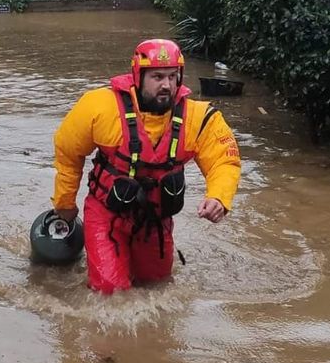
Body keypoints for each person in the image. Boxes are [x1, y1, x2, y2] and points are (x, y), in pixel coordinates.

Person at [52, 38, 241, 294]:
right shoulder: (98, 107)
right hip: (107, 214)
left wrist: (218, 197)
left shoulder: (200, 118)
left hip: (156, 221)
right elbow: (67, 151)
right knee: (110, 291)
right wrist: (65, 205)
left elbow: (224, 160)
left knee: (157, 287)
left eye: (172, 76)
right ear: (138, 76)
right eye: (157, 77)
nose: (167, 85)